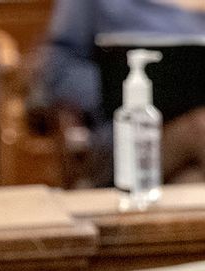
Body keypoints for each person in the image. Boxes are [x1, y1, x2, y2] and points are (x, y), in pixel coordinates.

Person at [40, 0, 205, 185]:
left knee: (190, 180)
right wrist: (117, 88)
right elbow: (57, 71)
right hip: (122, 136)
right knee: (200, 126)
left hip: (186, 158)